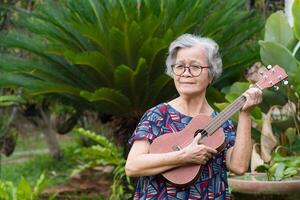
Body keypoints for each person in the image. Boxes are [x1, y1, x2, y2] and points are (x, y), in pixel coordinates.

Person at [125, 33, 262, 199]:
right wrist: (183, 156)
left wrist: (245, 114)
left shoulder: (220, 122)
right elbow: (132, 166)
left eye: (195, 67)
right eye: (180, 66)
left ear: (211, 74)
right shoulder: (158, 116)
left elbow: (239, 166)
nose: (186, 73)